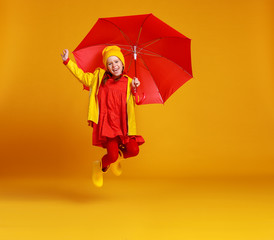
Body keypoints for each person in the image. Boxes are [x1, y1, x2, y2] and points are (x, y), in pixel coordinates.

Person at [61, 46, 144, 187]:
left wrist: (136, 88)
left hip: (124, 126)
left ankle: (118, 157)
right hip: (109, 127)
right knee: (111, 156)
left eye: (116, 62)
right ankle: (99, 167)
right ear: (106, 66)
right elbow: (82, 77)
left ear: (122, 63)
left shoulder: (130, 82)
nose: (114, 66)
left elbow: (138, 100)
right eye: (110, 63)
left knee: (134, 150)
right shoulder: (99, 78)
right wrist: (67, 61)